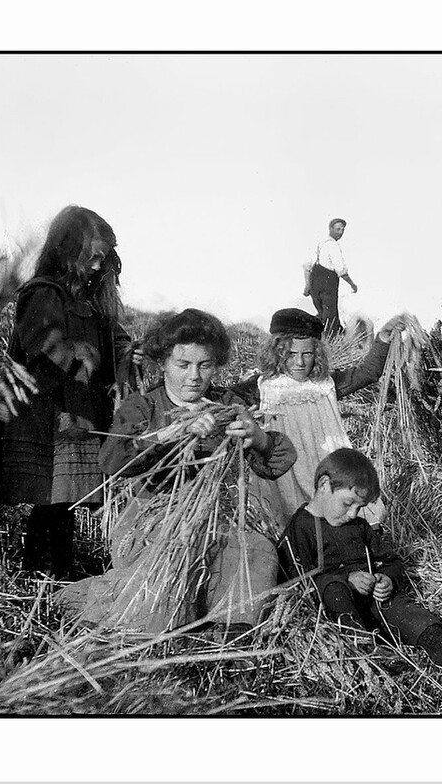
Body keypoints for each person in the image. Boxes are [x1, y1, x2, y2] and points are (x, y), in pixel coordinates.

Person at [57, 308, 297, 636]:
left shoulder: (226, 404)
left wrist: (260, 439)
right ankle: (93, 604)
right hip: (153, 521)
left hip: (219, 519)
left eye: (205, 365)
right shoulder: (144, 406)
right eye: (183, 365)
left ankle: (230, 629)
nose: (194, 376)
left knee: (256, 551)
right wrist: (167, 437)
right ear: (163, 363)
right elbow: (113, 460)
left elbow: (276, 461)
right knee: (175, 568)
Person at [0, 205, 140, 578]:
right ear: (68, 250)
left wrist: (128, 354)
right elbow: (42, 341)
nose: (98, 267)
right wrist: (75, 355)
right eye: (92, 257)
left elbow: (115, 337)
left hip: (80, 409)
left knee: (68, 498)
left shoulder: (93, 302)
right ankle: (39, 570)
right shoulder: (41, 293)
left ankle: (61, 569)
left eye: (103, 259)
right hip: (46, 414)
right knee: (51, 498)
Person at [279, 448, 442, 709]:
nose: (353, 513)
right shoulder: (301, 527)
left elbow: (390, 561)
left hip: (376, 604)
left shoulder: (359, 528)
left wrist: (387, 579)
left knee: (414, 617)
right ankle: (368, 656)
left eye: (360, 507)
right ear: (324, 485)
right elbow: (297, 579)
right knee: (333, 588)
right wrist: (347, 578)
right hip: (338, 607)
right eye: (348, 503)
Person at [232, 307, 405, 531]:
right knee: (287, 520)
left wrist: (383, 339)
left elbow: (367, 373)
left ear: (317, 354)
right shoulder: (262, 386)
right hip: (285, 468)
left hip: (325, 464)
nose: (300, 362)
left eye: (308, 354)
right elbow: (226, 401)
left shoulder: (324, 384)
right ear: (276, 352)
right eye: (291, 354)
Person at [303, 217, 359, 334]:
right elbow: (341, 270)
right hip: (327, 285)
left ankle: (323, 337)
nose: (340, 232)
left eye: (343, 230)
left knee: (323, 314)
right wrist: (352, 285)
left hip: (315, 284)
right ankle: (331, 343)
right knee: (330, 318)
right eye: (338, 229)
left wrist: (308, 285)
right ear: (330, 229)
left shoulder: (320, 244)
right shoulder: (333, 246)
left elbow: (307, 266)